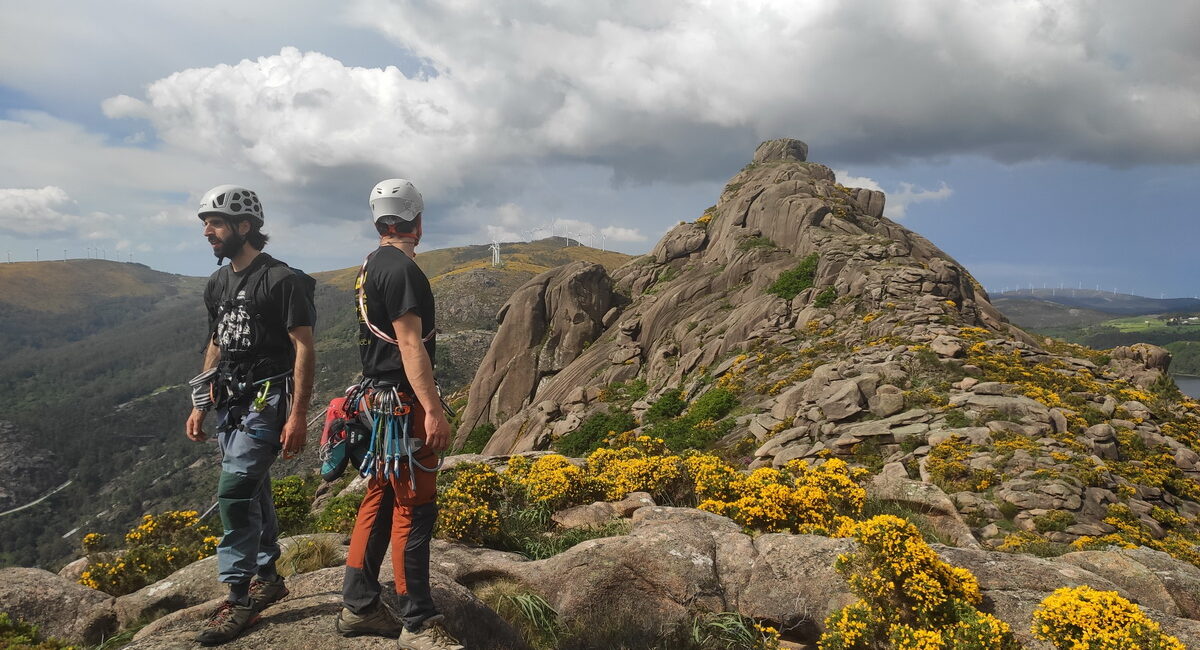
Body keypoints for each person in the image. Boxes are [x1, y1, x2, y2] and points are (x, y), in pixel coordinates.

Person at [185, 185, 316, 645]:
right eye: (205, 223)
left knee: (236, 490)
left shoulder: (282, 281)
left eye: (215, 223)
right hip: (231, 401)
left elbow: (303, 348)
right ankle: (269, 576)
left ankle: (238, 597)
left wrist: (298, 415)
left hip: (268, 400)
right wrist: (201, 403)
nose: (207, 232)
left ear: (244, 227)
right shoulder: (217, 284)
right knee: (253, 487)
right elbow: (217, 342)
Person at [336, 179, 463, 650]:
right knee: (414, 507)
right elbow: (411, 344)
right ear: (419, 222)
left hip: (374, 402)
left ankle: (359, 605)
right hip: (402, 406)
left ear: (378, 221)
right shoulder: (405, 273)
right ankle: (417, 620)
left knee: (379, 498)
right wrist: (432, 410)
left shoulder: (370, 265)